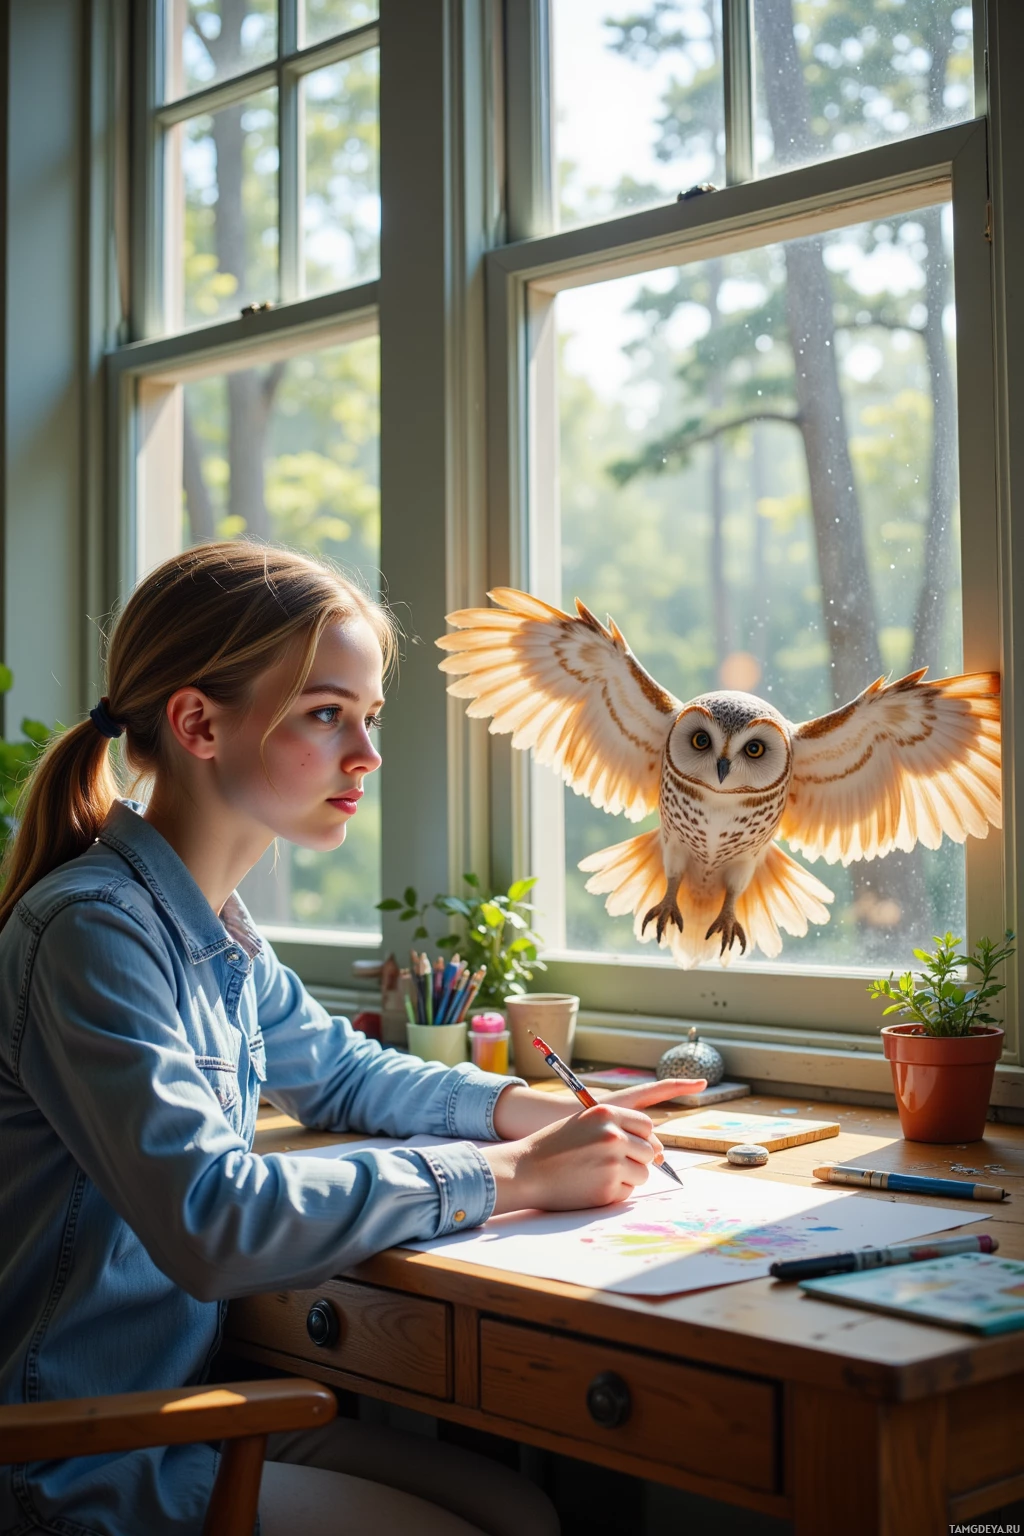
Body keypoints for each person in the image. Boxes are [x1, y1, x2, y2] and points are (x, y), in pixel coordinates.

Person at [0, 542, 704, 1536]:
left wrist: (532, 1108)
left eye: (368, 717)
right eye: (327, 714)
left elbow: (332, 1072)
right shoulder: (93, 931)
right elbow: (212, 1221)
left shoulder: (214, 926)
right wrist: (510, 1175)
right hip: (77, 1461)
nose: (367, 755)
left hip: (166, 1415)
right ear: (198, 722)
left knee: (516, 1513)